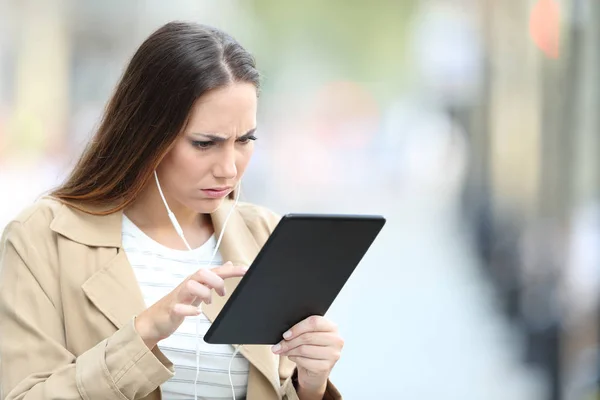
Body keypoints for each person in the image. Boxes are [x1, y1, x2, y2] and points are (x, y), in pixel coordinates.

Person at [0, 22, 344, 400]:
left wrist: (309, 385)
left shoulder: (264, 234)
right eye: (204, 143)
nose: (229, 168)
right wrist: (143, 333)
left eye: (245, 140)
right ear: (146, 134)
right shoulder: (43, 237)